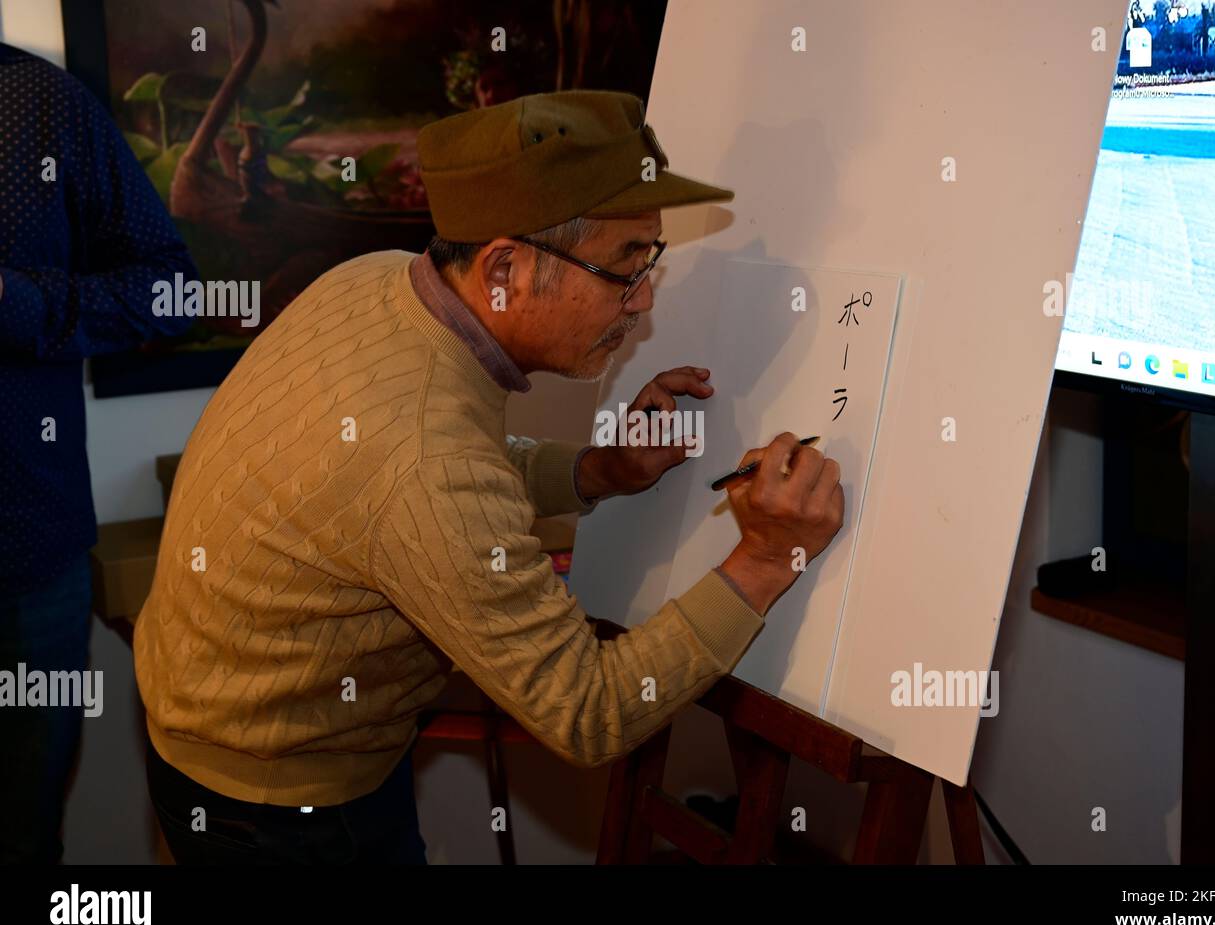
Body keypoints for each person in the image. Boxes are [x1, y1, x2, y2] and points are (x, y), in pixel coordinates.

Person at [133, 90, 844, 864]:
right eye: (624, 268)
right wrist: (768, 557)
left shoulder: (376, 281)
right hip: (279, 806)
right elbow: (589, 709)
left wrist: (595, 470)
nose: (642, 305)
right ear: (505, 266)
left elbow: (403, 478)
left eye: (652, 261)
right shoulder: (427, 459)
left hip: (212, 733)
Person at [0, 43, 198, 863]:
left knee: (21, 842)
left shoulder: (42, 104)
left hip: (24, 564)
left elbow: (175, 291)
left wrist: (13, 301)